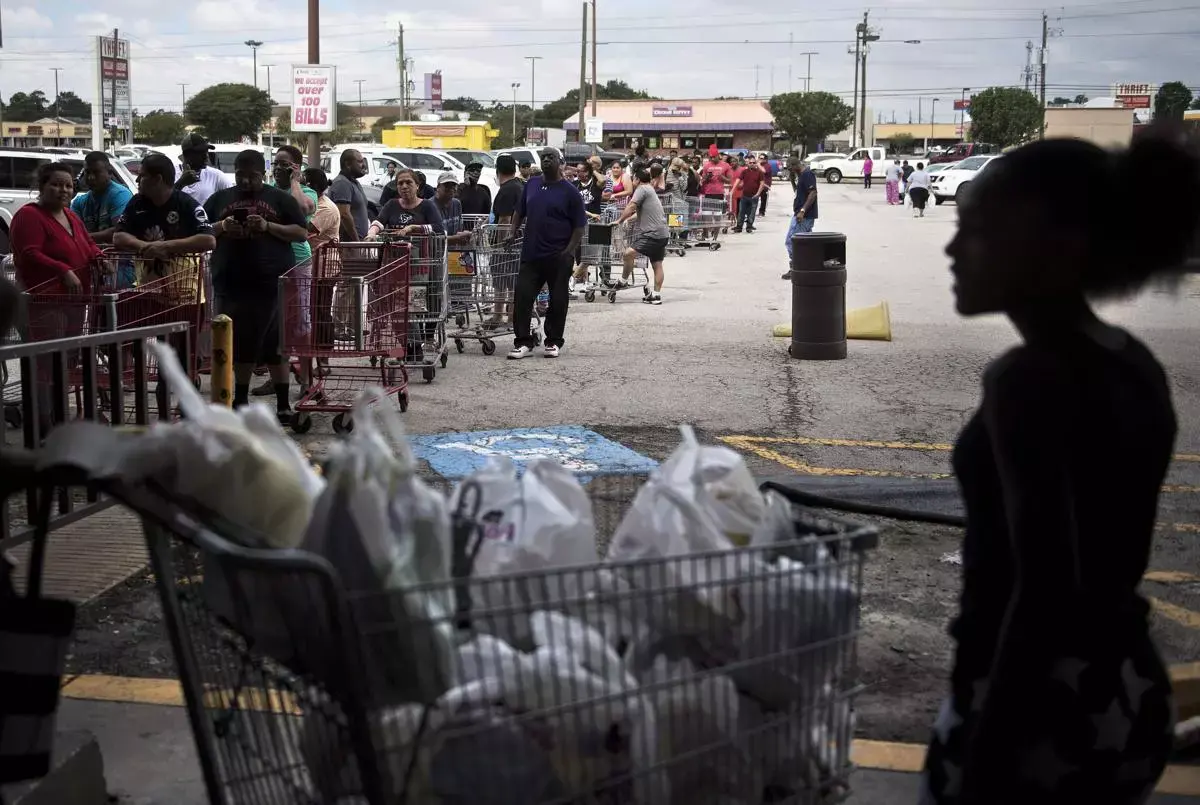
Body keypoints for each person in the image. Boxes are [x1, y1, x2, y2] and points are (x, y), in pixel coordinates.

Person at [922, 134, 1200, 805]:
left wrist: (988, 753)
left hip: (1041, 702)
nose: (953, 250)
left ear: (1060, 246)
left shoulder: (1029, 379)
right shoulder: (1129, 359)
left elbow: (1045, 587)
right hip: (1125, 682)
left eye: (980, 231)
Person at [202, 150, 308, 421]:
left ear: (264, 173)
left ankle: (283, 405)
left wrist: (267, 226)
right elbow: (201, 231)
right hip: (230, 282)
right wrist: (224, 226)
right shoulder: (220, 199)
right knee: (237, 344)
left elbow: (300, 232)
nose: (246, 181)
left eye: (253, 176)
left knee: (276, 345)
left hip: (272, 283)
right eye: (241, 175)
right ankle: (239, 399)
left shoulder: (280, 199)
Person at [9, 163, 103, 431]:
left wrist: (99, 257)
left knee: (63, 362)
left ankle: (58, 419)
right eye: (56, 184)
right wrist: (63, 270)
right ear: (41, 186)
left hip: (74, 301)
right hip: (44, 301)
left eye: (68, 185)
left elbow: (88, 244)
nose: (63, 190)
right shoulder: (29, 216)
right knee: (45, 364)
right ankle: (42, 422)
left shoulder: (71, 216)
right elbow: (29, 253)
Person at [507, 149, 585, 360]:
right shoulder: (531, 184)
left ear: (560, 163)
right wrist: (512, 232)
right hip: (531, 254)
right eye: (544, 157)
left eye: (551, 157)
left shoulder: (570, 192)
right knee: (522, 297)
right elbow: (519, 211)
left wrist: (568, 252)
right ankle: (523, 342)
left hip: (559, 256)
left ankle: (553, 341)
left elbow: (579, 227)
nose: (546, 160)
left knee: (558, 300)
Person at [113, 152, 216, 287]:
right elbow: (118, 237)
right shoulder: (137, 203)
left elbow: (209, 240)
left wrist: (165, 246)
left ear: (157, 179)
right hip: (147, 290)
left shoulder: (186, 204)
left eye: (142, 175)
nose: (137, 180)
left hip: (184, 293)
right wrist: (144, 247)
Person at [613, 167, 669, 306]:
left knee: (628, 253)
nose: (632, 181)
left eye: (633, 179)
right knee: (657, 264)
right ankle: (656, 295)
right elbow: (640, 213)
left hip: (653, 234)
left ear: (637, 179)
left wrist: (619, 220)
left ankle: (623, 281)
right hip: (662, 233)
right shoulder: (650, 189)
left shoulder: (642, 189)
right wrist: (628, 220)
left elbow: (632, 206)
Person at [487, 154, 524, 328]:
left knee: (502, 281)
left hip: (507, 245)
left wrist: (502, 247)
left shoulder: (507, 189)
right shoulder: (519, 186)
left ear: (498, 170)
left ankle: (499, 316)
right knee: (512, 282)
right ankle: (510, 316)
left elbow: (504, 220)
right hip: (518, 242)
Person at [71, 152, 133, 246]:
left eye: (96, 172)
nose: (91, 177)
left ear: (110, 173)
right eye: (87, 172)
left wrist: (84, 237)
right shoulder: (79, 202)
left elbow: (119, 231)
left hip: (115, 257)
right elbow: (72, 232)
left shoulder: (120, 194)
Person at [367, 168, 445, 237]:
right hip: (394, 251)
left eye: (408, 182)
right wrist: (372, 233)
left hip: (421, 251)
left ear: (417, 185)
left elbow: (439, 228)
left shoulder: (428, 205)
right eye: (400, 183)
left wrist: (413, 228)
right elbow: (378, 222)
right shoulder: (391, 204)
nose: (404, 186)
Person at [175, 132, 234, 207]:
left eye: (207, 152)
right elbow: (162, 201)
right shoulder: (172, 174)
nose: (206, 157)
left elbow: (233, 199)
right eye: (201, 153)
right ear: (187, 155)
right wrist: (181, 184)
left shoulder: (216, 176)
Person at [782, 157, 818, 276]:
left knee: (792, 241)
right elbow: (797, 192)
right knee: (806, 243)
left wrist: (802, 210)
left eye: (789, 168)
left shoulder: (807, 174)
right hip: (800, 214)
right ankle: (808, 266)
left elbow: (813, 193)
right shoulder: (800, 175)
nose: (789, 170)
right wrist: (792, 180)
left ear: (795, 165)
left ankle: (796, 268)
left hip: (804, 215)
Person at [329, 149, 369, 241]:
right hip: (349, 245)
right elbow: (344, 215)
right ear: (348, 164)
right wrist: (357, 242)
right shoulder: (342, 183)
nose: (364, 165)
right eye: (359, 162)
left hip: (357, 244)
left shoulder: (354, 182)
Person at [699, 153, 731, 240]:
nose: (712, 159)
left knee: (717, 217)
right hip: (708, 194)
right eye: (711, 157)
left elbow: (729, 180)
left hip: (719, 194)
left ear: (718, 156)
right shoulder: (706, 166)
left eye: (714, 157)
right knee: (706, 217)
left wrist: (722, 177)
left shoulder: (725, 165)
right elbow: (702, 181)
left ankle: (715, 238)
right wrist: (707, 178)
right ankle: (705, 237)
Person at [732, 154, 764, 234]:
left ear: (756, 164)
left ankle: (749, 227)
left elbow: (762, 184)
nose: (752, 164)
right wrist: (733, 190)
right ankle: (739, 227)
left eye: (754, 163)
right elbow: (738, 180)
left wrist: (758, 193)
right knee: (741, 212)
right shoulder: (744, 172)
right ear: (748, 164)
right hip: (745, 196)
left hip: (754, 197)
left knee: (752, 213)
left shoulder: (760, 173)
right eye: (750, 163)